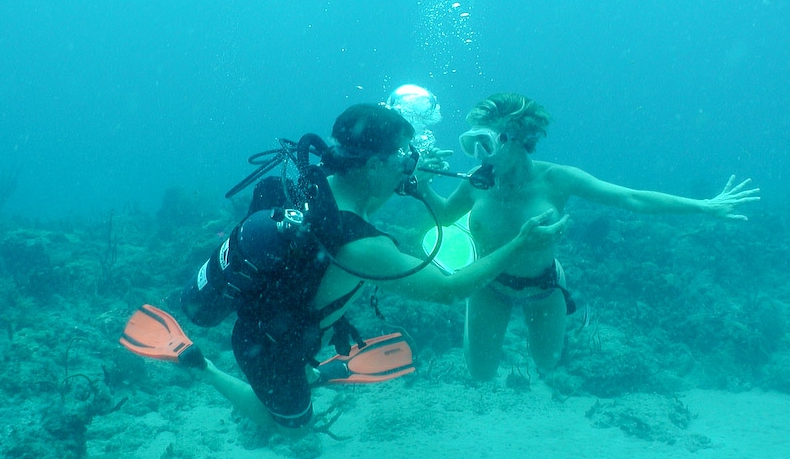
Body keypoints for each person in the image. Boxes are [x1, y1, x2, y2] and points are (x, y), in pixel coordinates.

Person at [180, 104, 568, 429]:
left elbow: (361, 207)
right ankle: (205, 368)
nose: (408, 163)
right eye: (401, 156)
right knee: (290, 428)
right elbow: (450, 291)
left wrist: (412, 179)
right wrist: (520, 244)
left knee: (303, 357)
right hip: (268, 346)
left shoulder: (323, 184)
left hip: (282, 315)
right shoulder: (363, 249)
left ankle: (310, 373)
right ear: (372, 164)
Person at [415, 92, 761, 382]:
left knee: (547, 362)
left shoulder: (557, 179)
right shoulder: (476, 182)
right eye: (472, 144)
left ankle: (560, 275)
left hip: (542, 286)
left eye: (486, 143)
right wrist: (423, 185)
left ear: (516, 139)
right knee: (480, 374)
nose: (480, 156)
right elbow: (444, 215)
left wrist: (704, 206)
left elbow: (632, 198)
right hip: (489, 285)